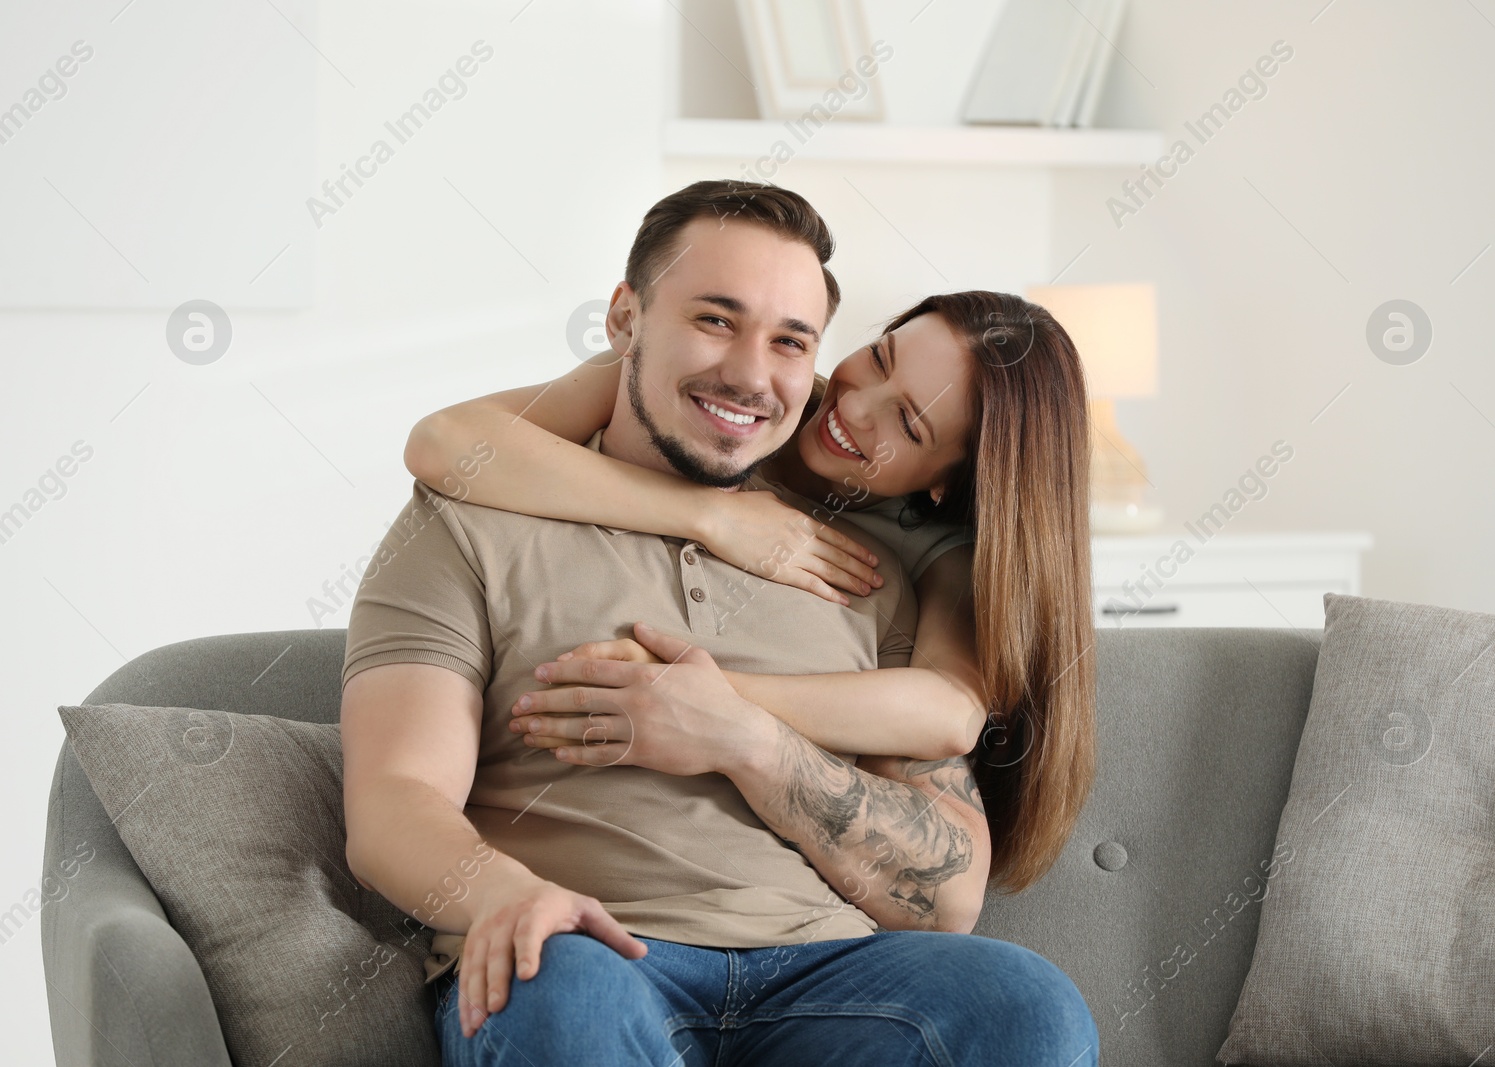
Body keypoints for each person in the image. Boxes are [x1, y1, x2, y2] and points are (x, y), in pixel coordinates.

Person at [341, 179, 1099, 1065]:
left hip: (828, 977)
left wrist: (742, 734)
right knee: (562, 993)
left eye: (789, 340)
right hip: (595, 954)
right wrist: (505, 895)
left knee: (1026, 1004)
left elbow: (947, 893)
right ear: (625, 318)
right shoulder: (472, 513)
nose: (750, 372)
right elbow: (396, 799)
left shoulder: (880, 567)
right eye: (713, 319)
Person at [406, 295, 1097, 898]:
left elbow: (947, 712)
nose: (852, 407)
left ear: (950, 480)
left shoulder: (937, 549)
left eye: (908, 425)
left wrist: (700, 698)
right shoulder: (753, 389)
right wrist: (712, 515)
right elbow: (445, 442)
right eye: (880, 358)